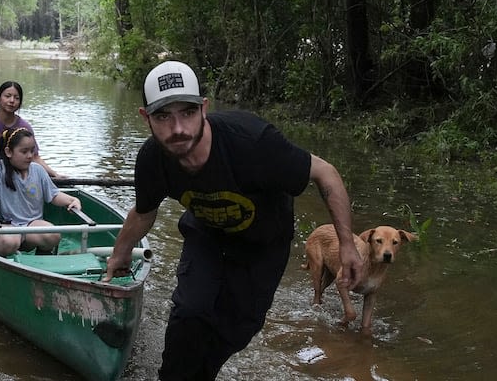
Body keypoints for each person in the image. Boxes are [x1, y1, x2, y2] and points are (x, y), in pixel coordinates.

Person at [101, 60, 363, 380]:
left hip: (265, 244)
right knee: (190, 313)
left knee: (235, 331)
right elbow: (143, 212)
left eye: (187, 112)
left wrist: (347, 245)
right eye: (163, 116)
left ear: (204, 108)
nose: (178, 128)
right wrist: (120, 254)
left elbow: (326, 174)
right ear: (146, 118)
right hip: (207, 235)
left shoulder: (253, 143)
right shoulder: (152, 159)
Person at [0, 127, 81, 256]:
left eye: (32, 151)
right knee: (7, 242)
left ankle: (42, 259)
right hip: (7, 225)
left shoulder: (38, 170)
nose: (30, 156)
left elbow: (54, 194)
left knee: (53, 234)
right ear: (9, 152)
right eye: (24, 151)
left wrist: (72, 200)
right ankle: (1, 261)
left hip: (31, 226)